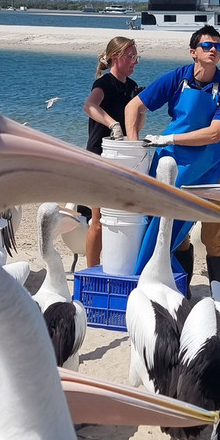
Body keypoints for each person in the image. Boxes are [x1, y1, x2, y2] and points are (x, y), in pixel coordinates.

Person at [125, 26, 220, 285]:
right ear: (193, 52)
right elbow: (134, 106)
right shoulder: (176, 78)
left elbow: (214, 134)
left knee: (212, 235)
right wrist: (134, 146)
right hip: (173, 164)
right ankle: (181, 287)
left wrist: (168, 138)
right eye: (207, 46)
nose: (213, 50)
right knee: (175, 230)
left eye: (218, 47)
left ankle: (219, 295)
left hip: (212, 168)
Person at [82, 37, 142, 268]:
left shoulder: (132, 86)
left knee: (124, 220)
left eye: (136, 57)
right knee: (97, 221)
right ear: (115, 57)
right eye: (130, 56)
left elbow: (134, 128)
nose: (134, 61)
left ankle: (119, 266)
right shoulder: (104, 84)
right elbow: (89, 106)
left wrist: (142, 110)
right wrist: (112, 124)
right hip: (98, 158)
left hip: (121, 159)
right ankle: (91, 271)